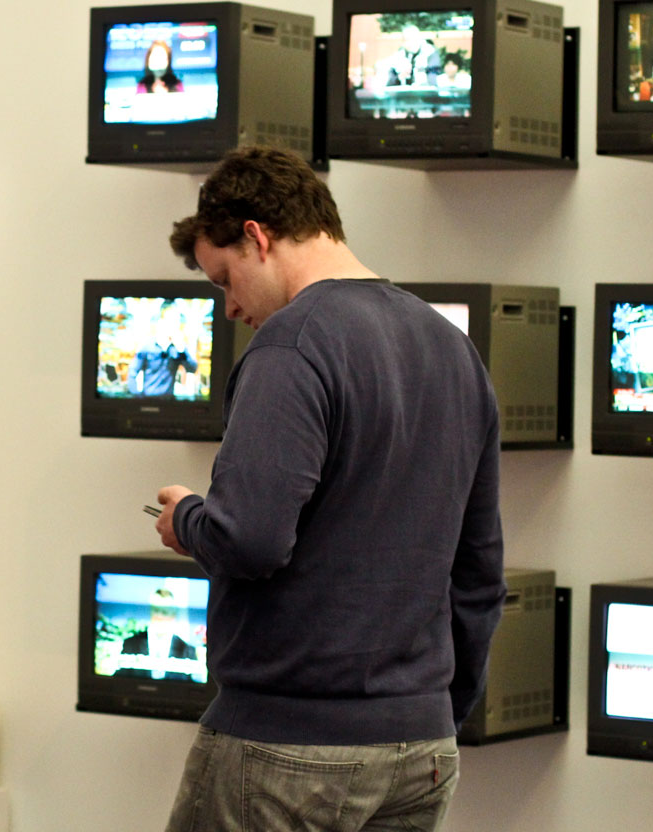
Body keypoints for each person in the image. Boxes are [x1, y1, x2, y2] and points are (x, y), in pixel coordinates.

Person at [150, 146, 505, 832]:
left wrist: (188, 518)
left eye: (224, 279)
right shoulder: (452, 347)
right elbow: (480, 572)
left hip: (288, 745)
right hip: (423, 749)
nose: (230, 307)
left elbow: (249, 539)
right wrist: (433, 713)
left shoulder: (291, 346)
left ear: (257, 236)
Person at [128, 315, 200, 398]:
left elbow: (192, 369)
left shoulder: (176, 349)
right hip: (149, 399)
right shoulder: (147, 347)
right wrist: (136, 395)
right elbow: (132, 371)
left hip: (169, 400)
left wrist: (182, 351)